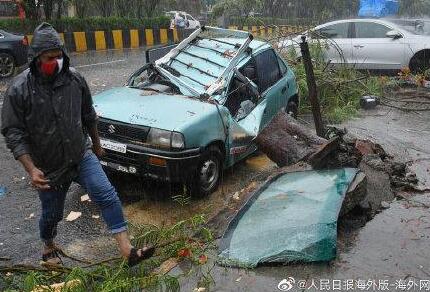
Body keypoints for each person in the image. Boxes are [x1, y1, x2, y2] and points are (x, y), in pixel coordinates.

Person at [1, 23, 154, 267]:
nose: (56, 61)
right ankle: (48, 246)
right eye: (50, 57)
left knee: (106, 194)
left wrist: (96, 144)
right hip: (48, 166)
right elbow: (13, 132)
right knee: (52, 215)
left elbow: (88, 114)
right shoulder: (19, 89)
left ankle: (128, 251)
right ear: (36, 58)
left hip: (80, 154)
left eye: (59, 55)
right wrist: (31, 169)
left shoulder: (74, 80)